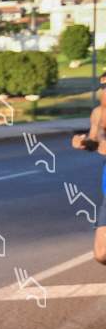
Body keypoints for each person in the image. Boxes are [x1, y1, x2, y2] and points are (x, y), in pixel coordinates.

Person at [71, 69, 106, 264]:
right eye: (103, 86)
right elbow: (95, 141)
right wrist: (83, 143)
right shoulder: (99, 114)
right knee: (101, 253)